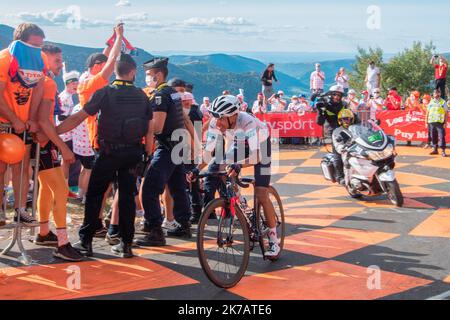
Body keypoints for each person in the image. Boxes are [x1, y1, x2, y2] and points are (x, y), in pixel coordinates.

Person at [57, 53, 153, 258]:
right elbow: (150, 130)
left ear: (116, 71)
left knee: (95, 195)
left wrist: (53, 132)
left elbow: (79, 117)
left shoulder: (105, 92)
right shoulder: (142, 95)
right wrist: (147, 154)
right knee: (127, 197)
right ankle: (126, 244)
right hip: (133, 153)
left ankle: (86, 241)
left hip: (108, 152)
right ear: (133, 72)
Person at [187, 95, 281, 258]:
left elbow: (257, 156)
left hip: (261, 147)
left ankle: (273, 240)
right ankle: (238, 200)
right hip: (239, 144)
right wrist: (196, 170)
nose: (219, 123)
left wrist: (239, 165)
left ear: (233, 116)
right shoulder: (216, 123)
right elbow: (209, 153)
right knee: (220, 166)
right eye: (215, 118)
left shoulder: (247, 122)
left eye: (222, 119)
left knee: (261, 193)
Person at [31, 44, 83, 261]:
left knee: (46, 188)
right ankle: (62, 243)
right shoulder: (48, 82)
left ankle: (44, 233)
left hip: (36, 141)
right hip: (43, 142)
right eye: (57, 61)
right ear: (44, 59)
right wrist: (61, 146)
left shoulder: (34, 80)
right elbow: (44, 120)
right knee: (61, 190)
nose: (61, 65)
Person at [136, 57, 192, 247]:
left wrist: (140, 126)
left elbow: (158, 127)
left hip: (166, 146)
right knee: (177, 187)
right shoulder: (173, 92)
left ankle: (155, 231)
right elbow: (183, 117)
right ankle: (184, 224)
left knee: (149, 189)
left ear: (158, 75)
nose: (146, 78)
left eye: (148, 75)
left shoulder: (160, 95)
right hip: (178, 144)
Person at [76, 23, 125, 235]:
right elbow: (110, 62)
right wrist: (120, 38)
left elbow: (105, 57)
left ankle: (96, 221)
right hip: (98, 138)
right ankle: (94, 223)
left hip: (97, 137)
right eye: (102, 66)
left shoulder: (84, 78)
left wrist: (113, 38)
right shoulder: (92, 83)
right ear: (97, 66)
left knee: (103, 185)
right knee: (101, 186)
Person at [0, 23, 47, 226]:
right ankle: (0, 209)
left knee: (22, 167)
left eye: (40, 45)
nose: (38, 49)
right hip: (3, 124)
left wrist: (32, 118)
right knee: (1, 167)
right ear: (20, 41)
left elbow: (38, 89)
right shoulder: (4, 59)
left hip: (23, 125)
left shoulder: (39, 59)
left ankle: (20, 210)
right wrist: (14, 119)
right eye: (34, 44)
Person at [316, 85, 348, 184]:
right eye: (335, 94)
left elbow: (352, 116)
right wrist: (320, 112)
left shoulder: (344, 105)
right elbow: (320, 122)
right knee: (338, 152)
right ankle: (339, 176)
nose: (337, 97)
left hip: (346, 129)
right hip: (334, 131)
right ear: (330, 95)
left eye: (339, 95)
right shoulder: (325, 105)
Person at [57, 70, 80, 186]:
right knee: (65, 161)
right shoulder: (65, 97)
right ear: (67, 83)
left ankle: (64, 186)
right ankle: (63, 186)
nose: (76, 86)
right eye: (74, 84)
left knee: (66, 161)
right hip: (64, 135)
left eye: (77, 83)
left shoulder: (68, 96)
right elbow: (61, 117)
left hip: (66, 134)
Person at [332, 109, 356, 183]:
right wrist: (341, 147)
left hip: (356, 148)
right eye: (344, 119)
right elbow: (337, 144)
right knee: (338, 160)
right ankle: (340, 176)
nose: (346, 121)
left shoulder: (355, 128)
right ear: (340, 120)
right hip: (343, 149)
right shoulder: (337, 131)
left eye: (348, 119)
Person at [426, 89, 448, 157]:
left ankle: (443, 151)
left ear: (440, 94)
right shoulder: (431, 102)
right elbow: (427, 112)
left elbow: (446, 113)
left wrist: (445, 122)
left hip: (440, 123)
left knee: (441, 137)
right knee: (433, 137)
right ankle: (435, 149)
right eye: (435, 93)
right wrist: (426, 122)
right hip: (431, 123)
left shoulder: (443, 102)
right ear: (433, 94)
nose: (436, 94)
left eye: (437, 93)